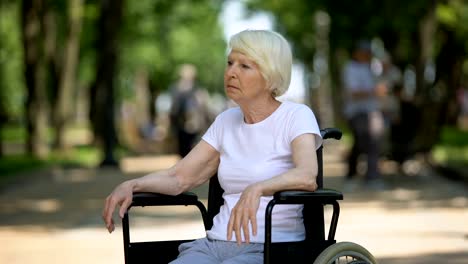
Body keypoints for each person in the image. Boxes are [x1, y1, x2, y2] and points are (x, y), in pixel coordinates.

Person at [102, 29, 323, 264]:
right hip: (213, 245)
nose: (231, 73)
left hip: (270, 249)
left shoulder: (295, 116)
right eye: (230, 63)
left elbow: (307, 176)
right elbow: (179, 178)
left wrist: (258, 188)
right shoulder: (226, 121)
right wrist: (133, 184)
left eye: (244, 66)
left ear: (270, 75)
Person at [342, 40, 385, 189]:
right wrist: (374, 91)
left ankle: (372, 177)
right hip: (356, 111)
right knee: (360, 142)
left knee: (374, 141)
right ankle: (352, 174)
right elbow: (353, 92)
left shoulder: (372, 68)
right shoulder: (350, 68)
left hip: (372, 110)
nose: (367, 55)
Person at [169, 64, 210, 157]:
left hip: (193, 125)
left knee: (192, 148)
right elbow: (172, 108)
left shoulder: (198, 90)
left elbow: (203, 107)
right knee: (181, 150)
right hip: (179, 124)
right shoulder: (175, 89)